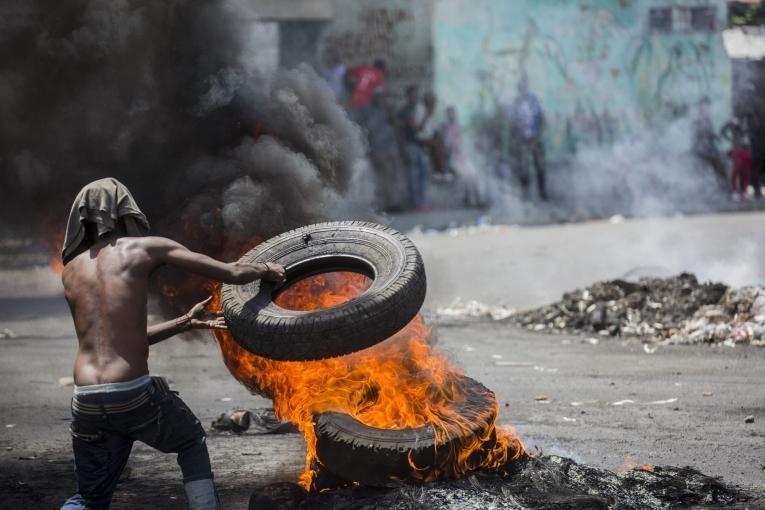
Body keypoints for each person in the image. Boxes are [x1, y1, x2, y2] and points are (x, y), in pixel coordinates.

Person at [59, 178, 286, 510]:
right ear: (125, 213)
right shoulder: (147, 248)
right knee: (190, 440)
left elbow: (120, 340)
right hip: (132, 393)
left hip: (86, 401)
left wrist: (185, 322)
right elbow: (233, 272)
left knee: (90, 497)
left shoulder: (70, 271)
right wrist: (268, 269)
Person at [508, 77, 548, 200]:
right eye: (521, 87)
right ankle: (525, 193)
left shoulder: (534, 100)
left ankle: (542, 193)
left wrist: (538, 134)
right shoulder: (516, 103)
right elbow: (513, 123)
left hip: (535, 138)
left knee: (540, 166)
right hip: (523, 140)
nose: (523, 89)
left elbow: (541, 117)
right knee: (524, 168)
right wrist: (517, 137)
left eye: (524, 86)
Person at [397, 85, 431, 210]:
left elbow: (422, 129)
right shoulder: (403, 112)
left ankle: (422, 203)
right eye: (412, 94)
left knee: (423, 175)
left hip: (421, 146)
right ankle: (416, 204)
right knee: (412, 176)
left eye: (416, 94)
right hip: (410, 146)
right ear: (408, 96)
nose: (415, 97)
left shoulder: (420, 110)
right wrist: (403, 147)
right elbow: (400, 131)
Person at [692, 96, 727, 189]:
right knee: (713, 162)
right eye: (705, 105)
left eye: (708, 105)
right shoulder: (697, 118)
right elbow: (696, 133)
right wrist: (705, 134)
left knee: (721, 163)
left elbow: (710, 133)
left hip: (710, 147)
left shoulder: (708, 119)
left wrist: (716, 137)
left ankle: (723, 187)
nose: (707, 108)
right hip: (700, 148)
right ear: (700, 106)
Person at [721, 115, 752, 196]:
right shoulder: (734, 121)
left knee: (746, 172)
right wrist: (730, 139)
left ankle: (744, 191)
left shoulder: (749, 119)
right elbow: (723, 130)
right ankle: (734, 191)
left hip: (748, 150)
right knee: (736, 170)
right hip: (738, 149)